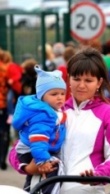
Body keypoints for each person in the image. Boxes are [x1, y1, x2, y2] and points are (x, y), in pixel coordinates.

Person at [9, 47, 110, 194]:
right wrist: (28, 167)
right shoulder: (51, 111)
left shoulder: (109, 113)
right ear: (68, 79)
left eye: (88, 80)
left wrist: (96, 174)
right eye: (76, 78)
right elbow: (18, 148)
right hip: (41, 189)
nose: (81, 85)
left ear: (99, 82)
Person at [12, 65, 67, 193]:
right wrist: (43, 160)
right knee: (52, 169)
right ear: (42, 96)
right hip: (33, 150)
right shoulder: (44, 115)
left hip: (34, 149)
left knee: (35, 178)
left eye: (62, 93)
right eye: (54, 94)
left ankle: (28, 188)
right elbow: (38, 139)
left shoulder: (53, 110)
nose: (59, 97)